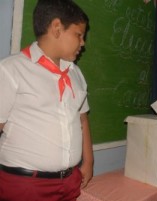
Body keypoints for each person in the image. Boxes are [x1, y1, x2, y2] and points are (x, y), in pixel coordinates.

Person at [0, 0, 94, 200]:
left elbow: (82, 119)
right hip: (25, 185)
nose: (83, 42)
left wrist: (88, 161)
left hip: (70, 180)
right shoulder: (11, 70)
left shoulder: (76, 74)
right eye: (79, 35)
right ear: (57, 28)